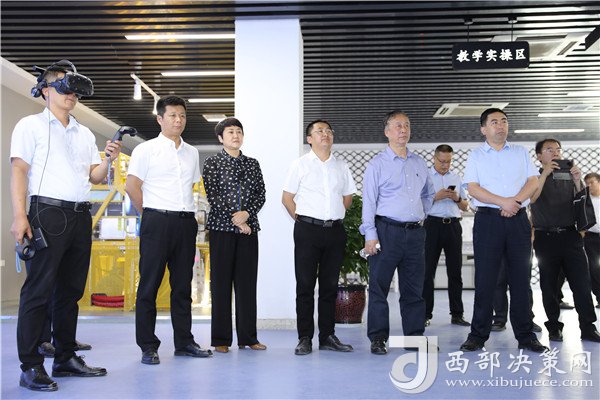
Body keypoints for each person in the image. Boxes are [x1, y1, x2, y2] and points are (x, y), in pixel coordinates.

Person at [10, 60, 119, 391]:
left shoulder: (84, 133)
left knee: (71, 292)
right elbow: (19, 171)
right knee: (38, 291)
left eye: (74, 90)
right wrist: (19, 216)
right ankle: (31, 366)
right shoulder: (30, 125)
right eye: (63, 87)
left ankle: (65, 358)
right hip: (46, 212)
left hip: (79, 215)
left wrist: (108, 159)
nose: (71, 94)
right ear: (45, 90)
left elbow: (94, 177)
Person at [126, 95, 212, 365]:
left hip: (185, 223)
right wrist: (149, 214)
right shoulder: (146, 150)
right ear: (160, 119)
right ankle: (148, 346)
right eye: (173, 115)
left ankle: (184, 342)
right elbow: (131, 186)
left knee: (182, 286)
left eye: (182, 116)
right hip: (156, 221)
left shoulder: (192, 152)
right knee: (149, 285)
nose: (178, 120)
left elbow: (190, 187)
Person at [459, 108, 547, 353]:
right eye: (494, 122)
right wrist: (503, 202)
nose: (500, 126)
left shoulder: (520, 152)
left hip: (518, 220)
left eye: (504, 121)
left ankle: (526, 336)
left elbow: (533, 181)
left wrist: (515, 202)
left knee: (521, 279)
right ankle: (477, 335)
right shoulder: (476, 156)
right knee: (485, 279)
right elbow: (473, 188)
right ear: (483, 129)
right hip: (488, 221)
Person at [360, 110, 435, 355]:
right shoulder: (377, 164)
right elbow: (369, 202)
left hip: (415, 234)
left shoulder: (419, 162)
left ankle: (414, 338)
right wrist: (370, 235)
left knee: (414, 289)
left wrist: (421, 214)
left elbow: (429, 194)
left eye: (407, 125)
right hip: (386, 232)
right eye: (398, 125)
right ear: (387, 132)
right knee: (379, 287)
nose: (403, 130)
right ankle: (378, 338)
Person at [282, 119, 357, 355]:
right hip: (307, 230)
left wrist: (333, 214)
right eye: (319, 131)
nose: (325, 134)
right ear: (309, 138)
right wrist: (303, 220)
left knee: (329, 286)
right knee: (305, 285)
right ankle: (304, 337)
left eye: (328, 131)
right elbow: (287, 198)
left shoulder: (341, 166)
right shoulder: (299, 165)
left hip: (334, 231)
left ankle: (327, 336)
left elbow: (347, 198)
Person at [202, 118, 267, 353]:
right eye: (230, 132)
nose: (236, 135)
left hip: (249, 230)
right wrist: (238, 221)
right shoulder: (212, 163)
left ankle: (249, 337)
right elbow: (214, 195)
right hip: (222, 230)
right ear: (221, 138)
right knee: (220, 285)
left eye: (239, 131)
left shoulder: (252, 163)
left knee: (247, 285)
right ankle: (220, 339)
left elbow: (261, 194)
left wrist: (247, 215)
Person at [529, 138, 600, 342]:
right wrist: (545, 174)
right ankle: (553, 327)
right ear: (539, 156)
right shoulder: (533, 178)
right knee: (549, 286)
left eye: (558, 149)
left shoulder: (570, 176)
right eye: (549, 149)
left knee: (582, 284)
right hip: (545, 237)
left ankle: (588, 327)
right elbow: (532, 198)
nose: (556, 153)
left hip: (571, 236)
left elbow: (582, 203)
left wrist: (577, 180)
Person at [423, 144, 470, 327]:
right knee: (427, 271)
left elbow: (465, 206)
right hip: (431, 225)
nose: (445, 165)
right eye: (442, 161)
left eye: (448, 161)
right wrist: (436, 196)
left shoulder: (456, 177)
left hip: (453, 226)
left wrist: (456, 198)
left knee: (455, 271)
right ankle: (425, 314)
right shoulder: (425, 177)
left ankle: (457, 314)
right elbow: (418, 203)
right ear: (434, 158)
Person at [584, 172, 600, 308]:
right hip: (591, 237)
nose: (589, 186)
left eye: (592, 182)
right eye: (587, 184)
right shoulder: (585, 200)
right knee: (594, 269)